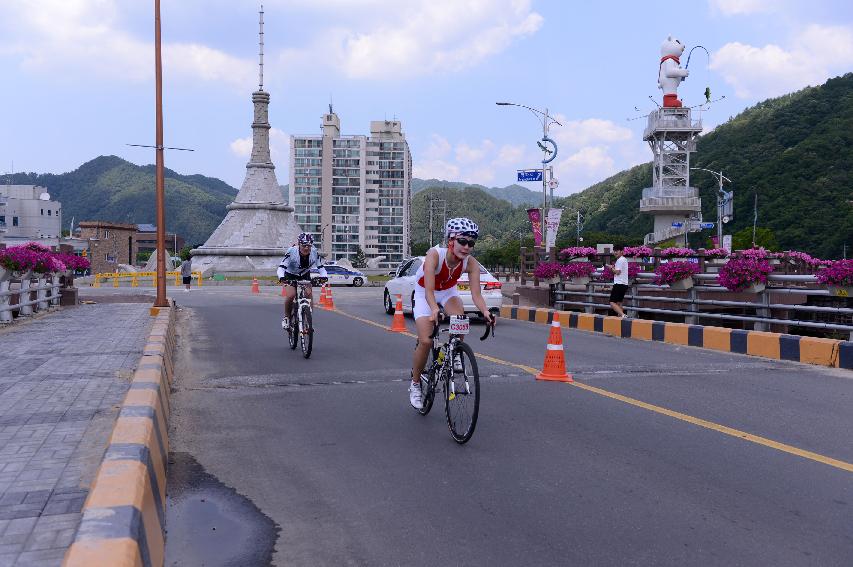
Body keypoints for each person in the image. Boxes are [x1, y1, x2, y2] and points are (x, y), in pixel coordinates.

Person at [409, 217, 496, 410]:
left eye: (471, 243)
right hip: (425, 293)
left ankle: (455, 352)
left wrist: (485, 311)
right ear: (450, 240)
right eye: (462, 241)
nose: (466, 247)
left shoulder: (470, 263)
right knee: (426, 340)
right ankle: (415, 384)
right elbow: (430, 292)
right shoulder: (434, 255)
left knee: (461, 319)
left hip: (448, 293)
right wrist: (434, 310)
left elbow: (476, 295)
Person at [277, 233, 327, 330]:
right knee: (291, 295)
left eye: (309, 245)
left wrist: (324, 276)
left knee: (308, 293)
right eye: (304, 245)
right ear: (299, 244)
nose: (306, 248)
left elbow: (321, 268)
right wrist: (282, 278)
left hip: (304, 274)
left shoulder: (314, 252)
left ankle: (308, 319)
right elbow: (281, 268)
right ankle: (287, 317)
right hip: (290, 274)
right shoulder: (292, 251)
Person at [607, 245, 629, 318]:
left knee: (612, 302)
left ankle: (623, 315)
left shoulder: (620, 260)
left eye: (617, 250)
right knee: (619, 303)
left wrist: (611, 268)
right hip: (624, 284)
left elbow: (617, 272)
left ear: (621, 251)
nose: (615, 252)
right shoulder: (624, 259)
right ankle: (621, 317)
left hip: (619, 284)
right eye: (614, 251)